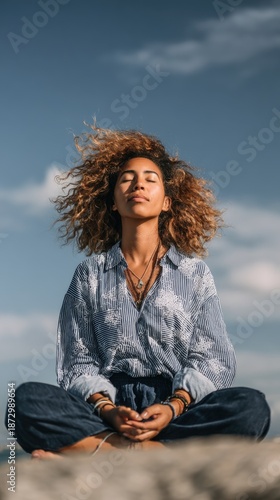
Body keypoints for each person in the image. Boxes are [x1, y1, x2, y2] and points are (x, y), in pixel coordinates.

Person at [8, 126, 270, 459]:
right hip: (106, 409)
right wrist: (108, 410)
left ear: (166, 202)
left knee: (251, 407)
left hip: (176, 410)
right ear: (114, 202)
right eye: (127, 179)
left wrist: (173, 407)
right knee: (22, 402)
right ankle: (147, 452)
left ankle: (98, 453)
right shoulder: (89, 274)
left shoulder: (195, 274)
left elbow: (213, 360)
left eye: (150, 178)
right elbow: (78, 361)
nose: (138, 184)